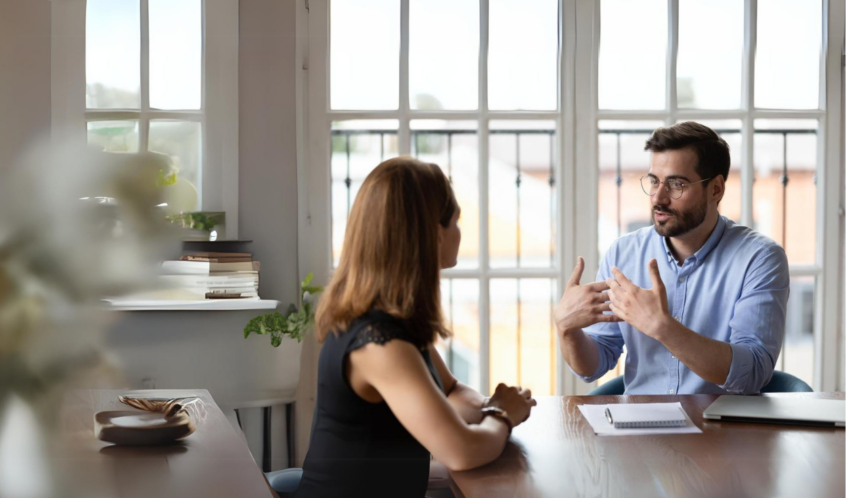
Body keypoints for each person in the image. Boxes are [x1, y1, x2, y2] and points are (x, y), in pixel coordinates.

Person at [292, 157, 536, 498]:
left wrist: (487, 406)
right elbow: (461, 452)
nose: (460, 233)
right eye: (457, 221)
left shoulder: (390, 322)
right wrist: (502, 415)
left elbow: (451, 392)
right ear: (436, 234)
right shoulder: (379, 344)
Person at [555, 121, 789, 395]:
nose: (658, 198)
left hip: (724, 430)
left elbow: (753, 373)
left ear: (715, 189)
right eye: (654, 181)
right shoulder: (623, 254)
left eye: (677, 184)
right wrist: (567, 330)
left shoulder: (760, 258)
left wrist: (663, 327)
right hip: (640, 428)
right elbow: (595, 364)